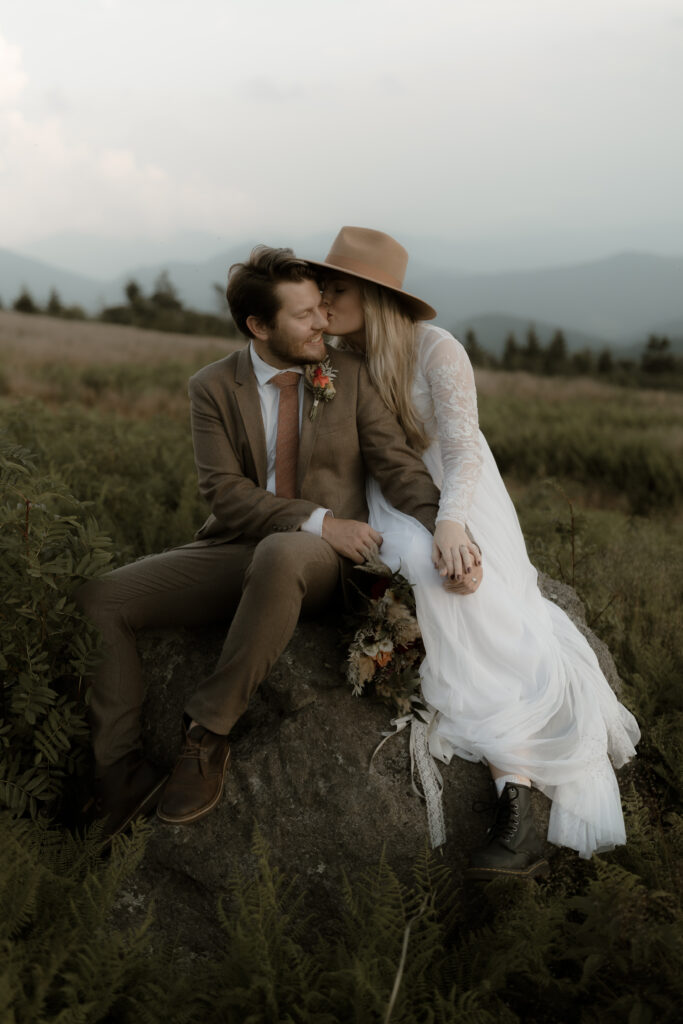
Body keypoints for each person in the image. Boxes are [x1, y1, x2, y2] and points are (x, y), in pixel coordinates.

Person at [77, 245, 471, 840]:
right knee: (99, 601)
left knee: (282, 552)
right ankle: (121, 778)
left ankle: (207, 733)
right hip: (241, 544)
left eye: (321, 307)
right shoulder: (211, 387)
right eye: (304, 316)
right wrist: (318, 517)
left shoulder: (348, 374)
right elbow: (225, 495)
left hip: (319, 563)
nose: (322, 323)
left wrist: (454, 529)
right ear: (259, 326)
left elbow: (400, 470)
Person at [307, 226, 640, 879]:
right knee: (404, 565)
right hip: (388, 498)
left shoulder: (435, 348)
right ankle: (505, 776)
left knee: (451, 576)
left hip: (460, 496)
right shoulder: (334, 359)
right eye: (318, 286)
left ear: (373, 294)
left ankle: (512, 793)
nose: (322, 298)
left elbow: (461, 452)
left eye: (335, 287)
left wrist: (453, 525)